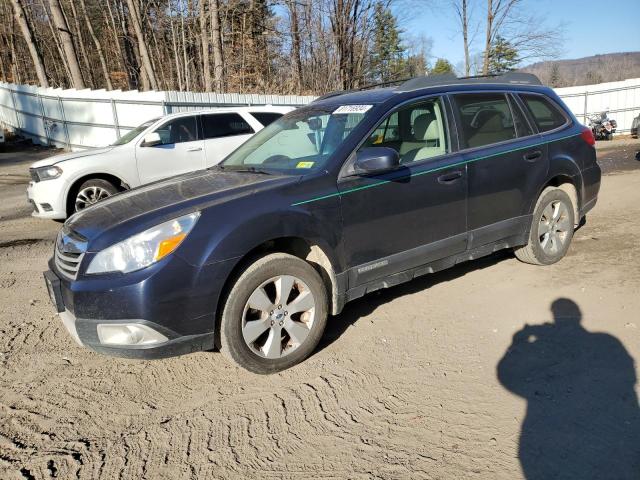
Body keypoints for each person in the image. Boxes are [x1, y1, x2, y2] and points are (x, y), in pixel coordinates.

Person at [497, 298, 640, 479]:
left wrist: (519, 341)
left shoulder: (604, 341)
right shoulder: (607, 341)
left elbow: (505, 376)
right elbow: (629, 375)